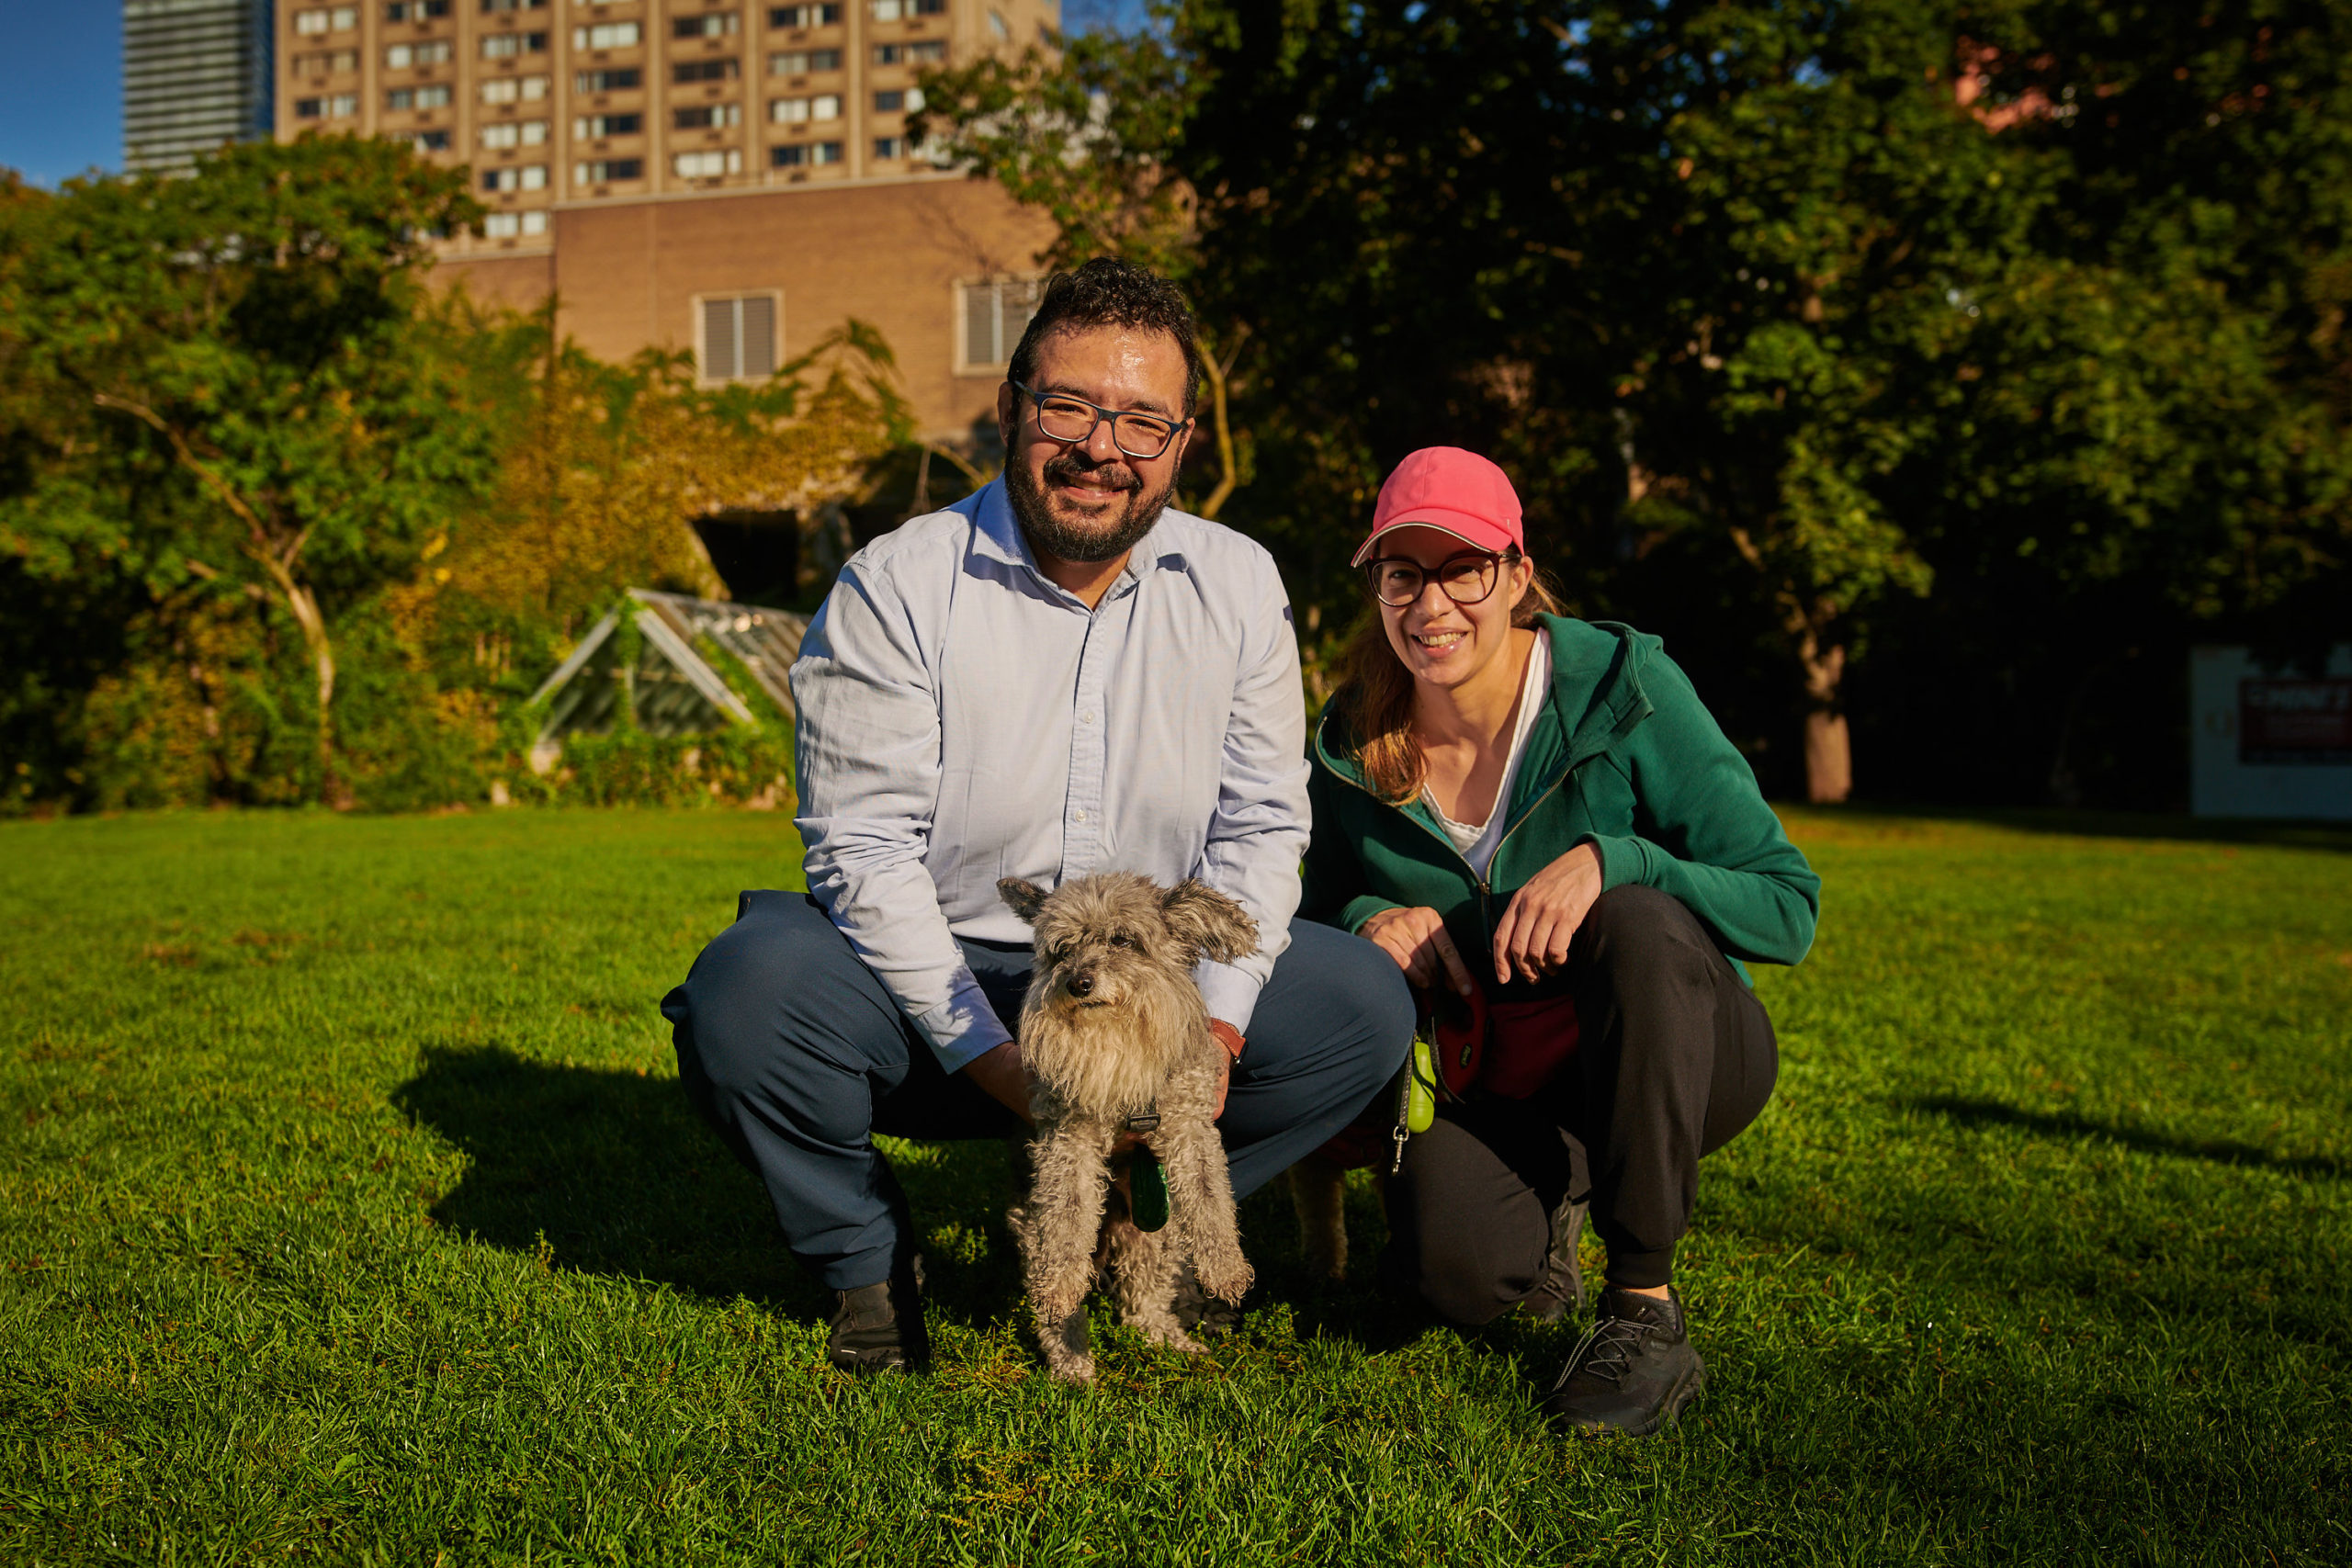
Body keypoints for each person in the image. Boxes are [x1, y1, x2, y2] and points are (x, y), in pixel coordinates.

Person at [662, 258, 1412, 1371]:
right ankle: (866, 1260)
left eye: (1142, 421)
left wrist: (1203, 1045)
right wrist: (1007, 1069)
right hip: (932, 971)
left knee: (1359, 1003)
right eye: (1070, 406)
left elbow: (1260, 827)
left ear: (1180, 444)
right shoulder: (895, 584)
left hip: (1147, 977)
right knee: (747, 995)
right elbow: (862, 854)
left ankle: (1136, 1204)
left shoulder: (1239, 583)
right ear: (1011, 408)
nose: (1102, 447)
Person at [1299, 446, 1820, 1437]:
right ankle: (1559, 1195)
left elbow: (1786, 904)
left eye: (1464, 570)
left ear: (1517, 575)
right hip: (1499, 1077)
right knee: (1446, 1278)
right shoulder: (1352, 737)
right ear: (1375, 584)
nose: (1431, 605)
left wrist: (1621, 862)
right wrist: (1370, 918)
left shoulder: (1625, 689)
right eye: (1402, 573)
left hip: (1677, 1047)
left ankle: (1644, 1309)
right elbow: (1310, 913)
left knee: (1630, 918)